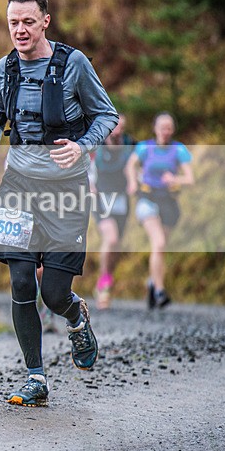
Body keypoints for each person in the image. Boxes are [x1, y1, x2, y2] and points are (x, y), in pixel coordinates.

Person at [0, 0, 118, 407]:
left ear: (45, 22)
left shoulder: (73, 64)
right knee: (20, 280)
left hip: (66, 189)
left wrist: (83, 145)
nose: (19, 30)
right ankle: (35, 376)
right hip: (18, 184)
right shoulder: (4, 68)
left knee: (54, 294)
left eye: (27, 22)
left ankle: (75, 317)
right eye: (13, 23)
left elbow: (105, 114)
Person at [125, 112, 193, 309]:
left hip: (169, 202)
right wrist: (132, 182)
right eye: (162, 127)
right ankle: (160, 291)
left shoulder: (179, 150)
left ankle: (152, 282)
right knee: (159, 242)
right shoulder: (144, 147)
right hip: (147, 198)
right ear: (155, 128)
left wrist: (175, 179)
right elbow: (130, 166)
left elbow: (190, 178)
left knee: (160, 249)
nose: (165, 131)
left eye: (169, 127)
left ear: (173, 130)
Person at [90, 114, 135, 309]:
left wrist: (134, 181)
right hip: (101, 198)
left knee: (116, 247)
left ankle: (105, 278)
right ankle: (103, 284)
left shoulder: (129, 143)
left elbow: (136, 165)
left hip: (121, 199)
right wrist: (89, 186)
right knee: (112, 238)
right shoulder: (96, 142)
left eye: (121, 128)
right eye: (115, 127)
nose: (117, 131)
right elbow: (86, 164)